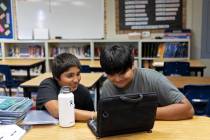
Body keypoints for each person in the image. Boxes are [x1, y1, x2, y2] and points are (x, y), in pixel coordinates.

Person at [100, 45, 194, 121]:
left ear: (133, 65)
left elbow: (188, 109)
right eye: (111, 74)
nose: (117, 79)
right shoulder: (107, 87)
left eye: (123, 73)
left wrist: (142, 113)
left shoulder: (154, 79)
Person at [36, 53, 96, 121]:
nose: (76, 80)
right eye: (70, 76)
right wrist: (94, 115)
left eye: (78, 74)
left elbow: (91, 121)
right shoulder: (47, 85)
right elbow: (57, 111)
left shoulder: (83, 91)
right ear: (57, 77)